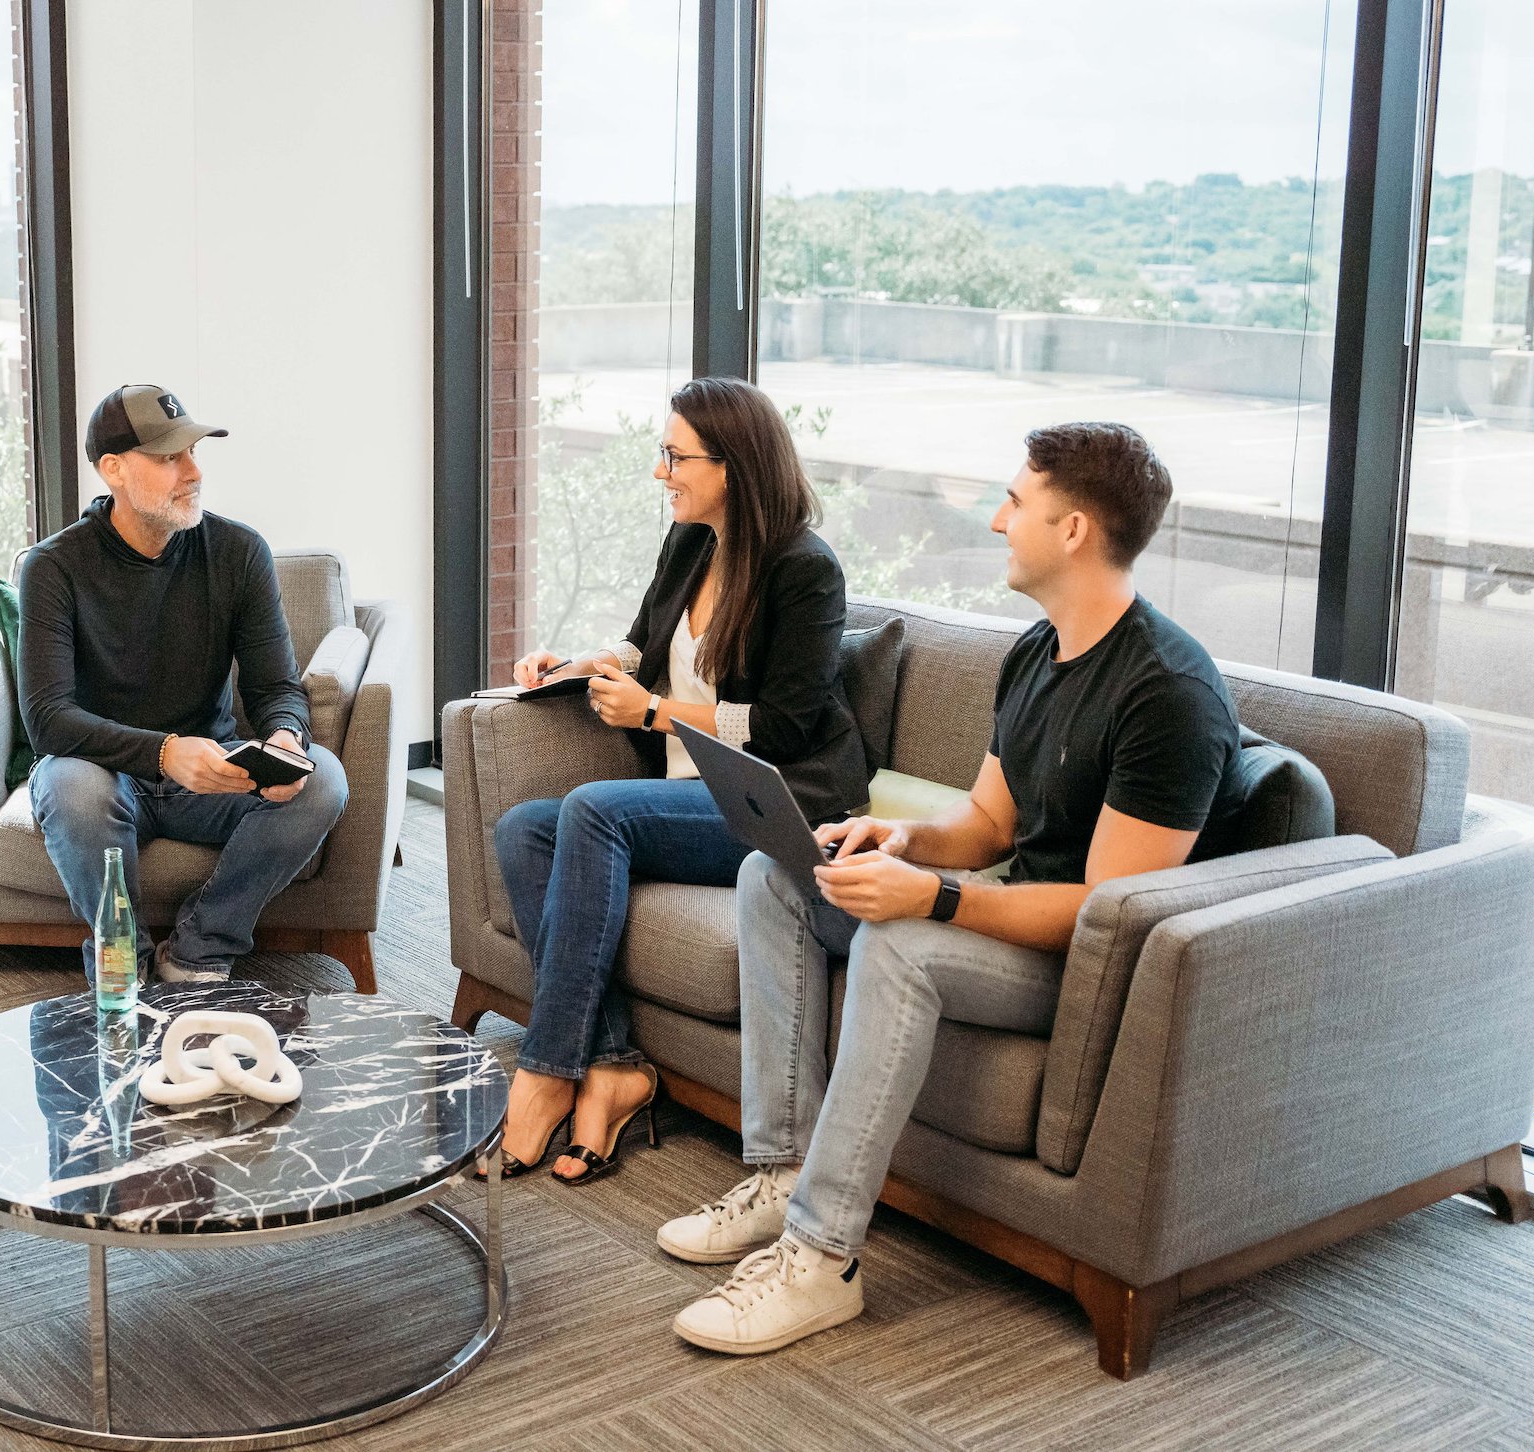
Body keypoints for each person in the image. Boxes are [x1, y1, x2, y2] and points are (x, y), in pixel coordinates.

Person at [659, 421, 1249, 1356]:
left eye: (1015, 502)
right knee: (776, 874)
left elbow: (1111, 911)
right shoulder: (1038, 652)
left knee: (897, 944)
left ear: (1074, 530)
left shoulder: (1168, 694)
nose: (994, 521)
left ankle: (820, 1262)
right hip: (1008, 910)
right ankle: (781, 1172)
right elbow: (986, 829)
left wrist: (931, 900)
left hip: (1079, 964)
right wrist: (897, 838)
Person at [487, 376, 872, 1185]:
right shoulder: (691, 541)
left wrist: (657, 715)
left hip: (776, 796)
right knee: (522, 828)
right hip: (685, 796)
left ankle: (548, 1068)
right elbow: (641, 646)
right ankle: (615, 1062)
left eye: (674, 456)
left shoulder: (805, 571)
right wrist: (577, 663)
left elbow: (783, 726)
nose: (661, 472)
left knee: (594, 812)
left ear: (732, 464)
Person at [18, 383, 348, 984]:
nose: (192, 472)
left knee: (322, 778)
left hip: (212, 773)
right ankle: (126, 965)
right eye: (170, 457)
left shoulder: (239, 552)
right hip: (102, 772)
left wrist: (285, 737)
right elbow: (48, 719)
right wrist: (165, 753)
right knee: (68, 787)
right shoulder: (53, 567)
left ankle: (198, 949)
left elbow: (276, 685)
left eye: (193, 452)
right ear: (113, 469)